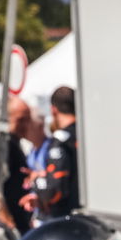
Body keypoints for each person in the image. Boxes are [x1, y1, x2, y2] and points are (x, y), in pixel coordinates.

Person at [27, 85, 79, 221]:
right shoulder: (86, 135)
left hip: (67, 218)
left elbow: (54, 189)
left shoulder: (60, 140)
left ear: (53, 110)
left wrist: (36, 180)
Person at [0, 96, 40, 229]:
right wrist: (8, 222)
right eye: (20, 120)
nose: (26, 125)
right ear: (8, 118)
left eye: (28, 119)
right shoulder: (4, 144)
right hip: (12, 225)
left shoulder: (16, 143)